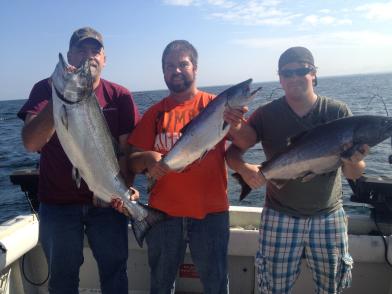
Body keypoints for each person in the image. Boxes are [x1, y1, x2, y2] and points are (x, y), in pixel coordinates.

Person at [226, 46, 369, 294]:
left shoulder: (337, 112)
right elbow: (233, 152)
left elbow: (354, 174)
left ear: (313, 73)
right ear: (279, 78)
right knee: (273, 288)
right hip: (279, 215)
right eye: (287, 73)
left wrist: (355, 160)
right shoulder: (266, 114)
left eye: (301, 70)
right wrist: (244, 167)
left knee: (331, 288)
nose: (294, 77)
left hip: (328, 216)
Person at [115, 40, 244, 294]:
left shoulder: (217, 106)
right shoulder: (154, 113)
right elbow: (132, 160)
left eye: (182, 64)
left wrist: (237, 124)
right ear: (163, 72)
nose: (176, 70)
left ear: (195, 68)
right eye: (169, 66)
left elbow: (246, 141)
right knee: (161, 285)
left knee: (216, 284)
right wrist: (149, 159)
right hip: (163, 214)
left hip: (211, 213)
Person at [18, 27, 140, 294]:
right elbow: (30, 143)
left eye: (95, 50)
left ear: (105, 58)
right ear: (70, 55)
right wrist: (60, 98)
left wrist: (125, 189)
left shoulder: (120, 96)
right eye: (80, 50)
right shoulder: (45, 89)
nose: (88, 56)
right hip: (58, 204)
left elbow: (127, 152)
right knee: (62, 279)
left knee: (115, 273)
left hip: (108, 205)